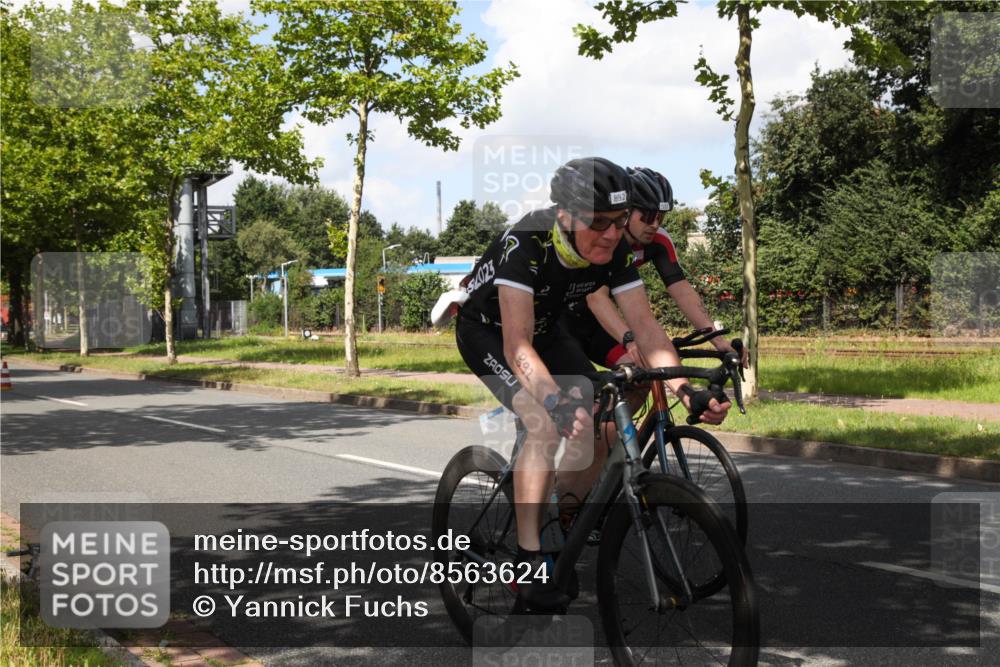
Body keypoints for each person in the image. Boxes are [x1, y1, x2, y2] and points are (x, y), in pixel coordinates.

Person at [455, 157, 731, 612]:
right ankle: (528, 565)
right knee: (544, 419)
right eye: (598, 223)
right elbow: (517, 344)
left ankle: (566, 511)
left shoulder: (616, 248)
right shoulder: (528, 242)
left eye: (619, 222)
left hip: (548, 328)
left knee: (599, 407)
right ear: (564, 215)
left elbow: (646, 327)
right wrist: (552, 402)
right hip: (489, 330)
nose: (610, 234)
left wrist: (686, 390)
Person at [563, 166, 747, 373]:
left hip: (599, 326)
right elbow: (596, 298)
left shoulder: (658, 242)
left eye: (661, 217)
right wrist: (631, 340)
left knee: (640, 377)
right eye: (648, 216)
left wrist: (717, 340)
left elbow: (682, 291)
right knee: (582, 394)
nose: (654, 224)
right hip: (562, 322)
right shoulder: (604, 240)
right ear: (626, 211)